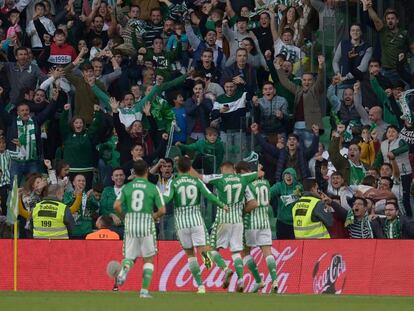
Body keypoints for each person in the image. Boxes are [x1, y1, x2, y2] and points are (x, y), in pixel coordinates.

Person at [163, 156, 226, 294]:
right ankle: (216, 264)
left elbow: (167, 198)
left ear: (177, 168)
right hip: (196, 220)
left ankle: (200, 286)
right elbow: (209, 195)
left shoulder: (173, 182)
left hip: (181, 223)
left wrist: (155, 202)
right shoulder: (196, 181)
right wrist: (222, 205)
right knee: (205, 249)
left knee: (190, 255)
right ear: (190, 168)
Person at [198, 161, 261, 292]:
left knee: (210, 248)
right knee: (237, 252)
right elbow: (254, 202)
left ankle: (225, 269)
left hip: (223, 219)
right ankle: (241, 280)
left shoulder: (221, 179)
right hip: (238, 221)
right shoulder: (244, 182)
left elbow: (202, 178)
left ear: (223, 169)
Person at [114, 160, 166, 299]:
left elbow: (116, 206)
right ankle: (143, 291)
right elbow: (162, 210)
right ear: (147, 171)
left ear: (134, 172)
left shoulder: (127, 187)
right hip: (147, 225)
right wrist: (154, 216)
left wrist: (125, 216)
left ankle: (124, 270)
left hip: (131, 225)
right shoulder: (152, 188)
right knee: (148, 259)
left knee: (130, 257)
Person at [235, 161, 278, 293]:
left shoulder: (247, 184)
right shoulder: (266, 183)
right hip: (265, 223)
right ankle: (275, 280)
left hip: (251, 223)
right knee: (268, 253)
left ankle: (259, 281)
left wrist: (241, 212)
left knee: (245, 252)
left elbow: (251, 204)